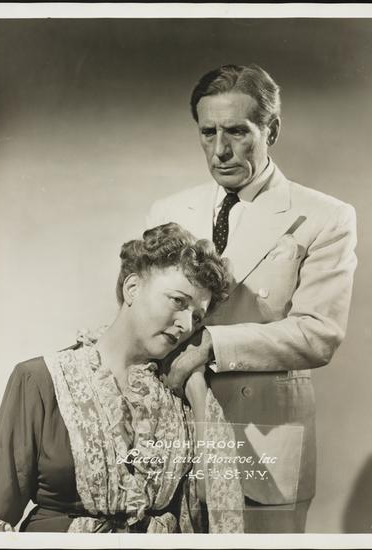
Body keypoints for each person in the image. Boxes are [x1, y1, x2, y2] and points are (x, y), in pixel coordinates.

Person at [147, 64, 358, 533]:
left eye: (237, 132)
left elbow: (319, 334)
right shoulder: (167, 210)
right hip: (175, 428)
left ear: (271, 131)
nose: (220, 150)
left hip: (261, 435)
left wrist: (210, 346)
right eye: (208, 133)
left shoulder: (325, 216)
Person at [0, 223, 245, 533]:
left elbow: (209, 500)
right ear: (132, 288)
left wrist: (198, 391)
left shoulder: (179, 397)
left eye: (196, 316)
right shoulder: (40, 379)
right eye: (178, 301)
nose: (186, 325)